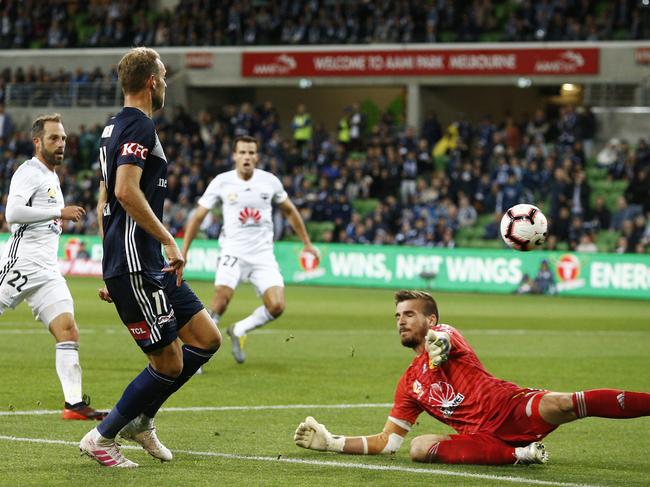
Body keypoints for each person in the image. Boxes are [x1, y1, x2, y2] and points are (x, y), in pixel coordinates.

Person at [294, 290, 650, 465]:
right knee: (419, 448)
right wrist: (334, 443)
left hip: (513, 407)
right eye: (397, 316)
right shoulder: (409, 383)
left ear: (430, 320)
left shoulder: (446, 333)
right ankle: (520, 455)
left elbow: (447, 340)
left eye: (409, 315)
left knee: (565, 402)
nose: (400, 320)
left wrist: (440, 344)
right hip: (483, 438)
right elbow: (388, 443)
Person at [79, 47, 221, 468]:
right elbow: (124, 190)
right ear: (151, 82)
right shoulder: (139, 124)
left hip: (140, 259)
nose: (165, 83)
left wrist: (111, 262)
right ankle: (102, 436)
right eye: (163, 75)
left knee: (207, 338)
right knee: (170, 360)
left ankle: (141, 419)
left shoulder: (112, 127)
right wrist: (170, 241)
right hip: (139, 260)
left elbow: (106, 196)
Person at [0, 113, 105, 421]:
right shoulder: (29, 171)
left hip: (47, 271)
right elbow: (13, 213)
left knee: (68, 330)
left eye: (63, 138)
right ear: (37, 142)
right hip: (22, 263)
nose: (61, 144)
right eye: (54, 138)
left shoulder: (51, 177)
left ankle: (73, 404)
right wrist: (58, 211)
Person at [182, 135, 318, 364]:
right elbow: (197, 218)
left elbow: (291, 211)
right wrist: (183, 251)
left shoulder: (270, 182)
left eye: (251, 152)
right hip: (232, 252)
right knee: (221, 299)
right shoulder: (222, 182)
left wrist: (307, 243)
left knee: (277, 305)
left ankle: (239, 329)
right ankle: (197, 354)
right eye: (242, 152)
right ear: (234, 156)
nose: (247, 157)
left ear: (257, 156)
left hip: (263, 255)